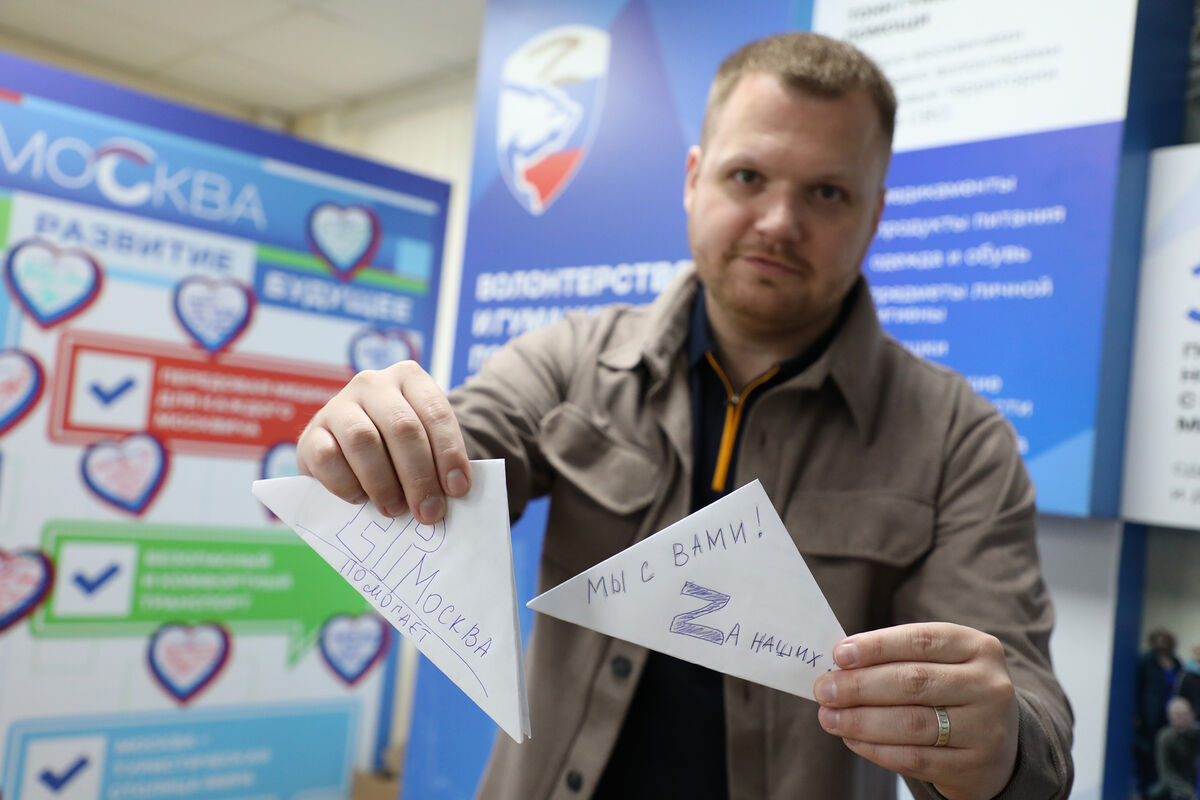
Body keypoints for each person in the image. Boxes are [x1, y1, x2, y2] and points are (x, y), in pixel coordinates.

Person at [297, 32, 1073, 799]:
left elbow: (1030, 718)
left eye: (827, 193)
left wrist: (999, 747)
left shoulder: (958, 441)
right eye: (748, 176)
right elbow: (465, 444)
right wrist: (388, 439)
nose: (779, 221)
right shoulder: (569, 360)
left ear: (874, 217)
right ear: (694, 179)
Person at [1139, 629, 1186, 795]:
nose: (1162, 644)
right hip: (1151, 715)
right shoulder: (1146, 661)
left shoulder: (1176, 662)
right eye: (1159, 641)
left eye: (1165, 641)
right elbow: (1139, 687)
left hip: (1173, 715)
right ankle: (1148, 790)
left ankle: (1169, 790)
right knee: (1150, 753)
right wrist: (1138, 714)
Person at [1148, 696, 1200, 800]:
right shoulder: (1164, 738)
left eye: (1185, 715)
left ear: (1191, 715)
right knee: (1155, 793)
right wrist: (1189, 793)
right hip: (1172, 781)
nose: (1182, 719)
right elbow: (1166, 772)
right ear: (1170, 717)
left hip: (1194, 778)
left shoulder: (1197, 733)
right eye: (1178, 716)